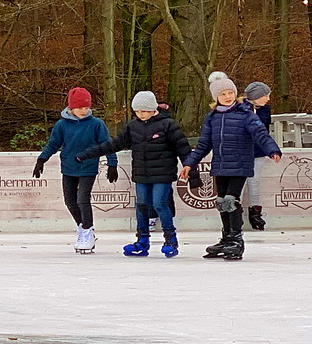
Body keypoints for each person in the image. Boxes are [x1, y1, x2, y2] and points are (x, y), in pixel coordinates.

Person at [77, 91, 191, 258]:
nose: (141, 114)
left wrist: (190, 170)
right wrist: (88, 153)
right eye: (137, 111)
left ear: (153, 109)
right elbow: (113, 144)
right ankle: (142, 241)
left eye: (144, 111)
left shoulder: (168, 125)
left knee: (159, 203)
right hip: (141, 174)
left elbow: (183, 149)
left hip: (163, 173)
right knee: (142, 205)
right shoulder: (133, 126)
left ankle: (170, 239)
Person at [182, 75, 281, 262]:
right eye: (223, 94)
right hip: (220, 166)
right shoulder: (212, 117)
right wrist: (189, 163)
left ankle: (236, 239)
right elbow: (204, 145)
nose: (227, 96)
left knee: (230, 201)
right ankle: (227, 236)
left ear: (235, 94)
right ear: (215, 97)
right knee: (221, 202)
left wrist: (272, 149)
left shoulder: (245, 114)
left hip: (240, 165)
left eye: (230, 93)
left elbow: (261, 134)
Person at [33, 87, 118, 254]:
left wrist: (112, 163)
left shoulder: (96, 124)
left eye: (86, 107)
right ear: (71, 107)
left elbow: (106, 144)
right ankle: (83, 228)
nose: (83, 111)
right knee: (69, 201)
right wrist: (41, 159)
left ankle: (87, 230)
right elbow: (53, 144)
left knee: (82, 199)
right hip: (69, 168)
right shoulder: (62, 125)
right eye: (80, 108)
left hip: (88, 167)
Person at [242, 81, 273, 231]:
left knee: (254, 182)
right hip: (241, 152)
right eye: (266, 95)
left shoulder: (265, 110)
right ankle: (234, 215)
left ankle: (255, 213)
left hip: (258, 151)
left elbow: (264, 131)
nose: (268, 98)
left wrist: (270, 148)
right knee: (239, 183)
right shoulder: (240, 108)